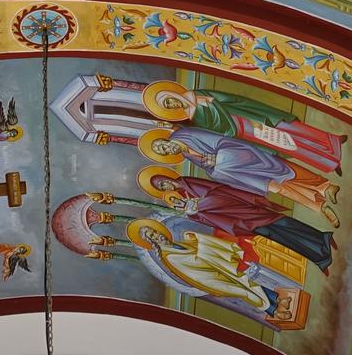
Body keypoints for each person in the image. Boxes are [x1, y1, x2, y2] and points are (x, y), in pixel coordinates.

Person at [145, 171, 334, 272]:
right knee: (278, 237)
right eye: (162, 187)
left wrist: (199, 206)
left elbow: (216, 193)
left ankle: (321, 239)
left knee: (284, 224)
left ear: (167, 178)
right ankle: (317, 254)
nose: (165, 186)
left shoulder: (189, 183)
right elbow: (205, 219)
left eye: (163, 182)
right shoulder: (181, 198)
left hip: (242, 209)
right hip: (236, 221)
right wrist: (194, 213)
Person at [143, 125, 339, 222]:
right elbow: (209, 167)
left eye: (163, 146)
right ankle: (318, 205)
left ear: (166, 140)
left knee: (283, 169)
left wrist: (219, 161)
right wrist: (216, 169)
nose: (167, 150)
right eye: (164, 152)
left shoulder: (187, 135)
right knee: (278, 188)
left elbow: (219, 141)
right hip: (238, 172)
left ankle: (325, 186)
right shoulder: (186, 154)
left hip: (242, 155)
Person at [146, 79, 344, 174]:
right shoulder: (192, 118)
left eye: (170, 100)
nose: (173, 104)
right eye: (168, 106)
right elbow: (218, 129)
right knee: (286, 144)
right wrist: (213, 107)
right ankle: (328, 161)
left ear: (173, 95)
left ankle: (331, 140)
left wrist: (217, 105)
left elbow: (228, 99)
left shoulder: (197, 94)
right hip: (245, 131)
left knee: (290, 128)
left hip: (248, 115)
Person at [131, 221, 278, 313]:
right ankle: (271, 307)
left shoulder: (174, 245)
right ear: (152, 242)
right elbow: (193, 264)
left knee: (244, 281)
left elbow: (193, 252)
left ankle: (275, 300)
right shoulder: (168, 256)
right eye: (152, 236)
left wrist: (194, 239)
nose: (157, 235)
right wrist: (200, 243)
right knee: (242, 288)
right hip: (210, 276)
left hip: (214, 267)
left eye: (155, 232)